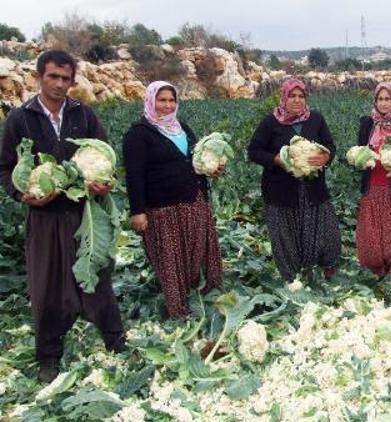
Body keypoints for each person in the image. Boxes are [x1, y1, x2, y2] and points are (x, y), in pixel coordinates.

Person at [0, 50, 125, 383]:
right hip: (44, 216)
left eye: (65, 78)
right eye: (52, 76)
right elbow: (5, 167)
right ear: (39, 76)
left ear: (73, 81)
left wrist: (104, 183)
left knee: (97, 277)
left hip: (84, 213)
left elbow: (103, 154)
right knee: (47, 285)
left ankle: (116, 340)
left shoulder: (83, 114)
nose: (59, 84)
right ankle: (48, 356)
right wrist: (20, 194)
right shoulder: (20, 118)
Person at [122, 81, 223, 318]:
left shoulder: (183, 128)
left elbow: (197, 159)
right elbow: (134, 176)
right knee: (171, 259)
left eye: (171, 100)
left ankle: (204, 298)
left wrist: (213, 169)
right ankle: (178, 311)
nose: (167, 105)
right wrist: (138, 211)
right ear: (150, 101)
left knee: (198, 251)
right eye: (162, 100)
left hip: (193, 201)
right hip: (162, 207)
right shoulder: (138, 134)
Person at [247, 79, 341, 281]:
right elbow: (253, 151)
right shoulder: (270, 122)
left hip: (314, 189)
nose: (297, 100)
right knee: (286, 237)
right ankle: (292, 279)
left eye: (301, 96)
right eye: (292, 96)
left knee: (327, 234)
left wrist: (325, 157)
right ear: (284, 97)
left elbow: (330, 146)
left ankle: (327, 273)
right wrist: (275, 160)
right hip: (281, 192)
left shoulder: (316, 119)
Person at [354, 82, 391, 277]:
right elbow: (360, 150)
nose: (384, 103)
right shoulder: (367, 122)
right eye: (380, 99)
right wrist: (360, 160)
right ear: (375, 101)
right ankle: (374, 269)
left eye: (387, 99)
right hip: (372, 186)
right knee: (370, 233)